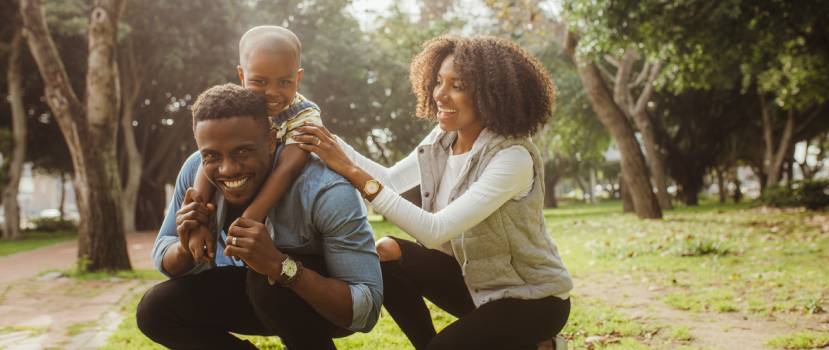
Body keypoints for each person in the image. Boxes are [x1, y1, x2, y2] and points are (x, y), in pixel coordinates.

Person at [296, 35, 573, 349]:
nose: (440, 94)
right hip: (474, 285)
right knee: (386, 251)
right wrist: (324, 138)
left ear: (492, 95)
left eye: (458, 86)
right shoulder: (443, 137)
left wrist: (351, 172)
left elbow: (435, 230)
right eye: (439, 81)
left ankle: (541, 341)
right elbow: (392, 181)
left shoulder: (512, 157)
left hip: (531, 299)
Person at [136, 83, 382, 350]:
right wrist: (185, 249)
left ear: (269, 140)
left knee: (267, 285)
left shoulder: (326, 188)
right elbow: (164, 253)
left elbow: (365, 310)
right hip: (255, 296)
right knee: (156, 311)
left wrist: (280, 266)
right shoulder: (196, 169)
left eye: (242, 151)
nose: (228, 169)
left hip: (322, 305)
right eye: (212, 156)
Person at [185, 25, 324, 264]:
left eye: (284, 82)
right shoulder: (236, 108)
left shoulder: (304, 115)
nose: (271, 92)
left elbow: (288, 166)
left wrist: (251, 217)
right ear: (241, 75)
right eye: (259, 81)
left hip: (278, 212)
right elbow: (207, 159)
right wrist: (197, 221)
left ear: (298, 78)